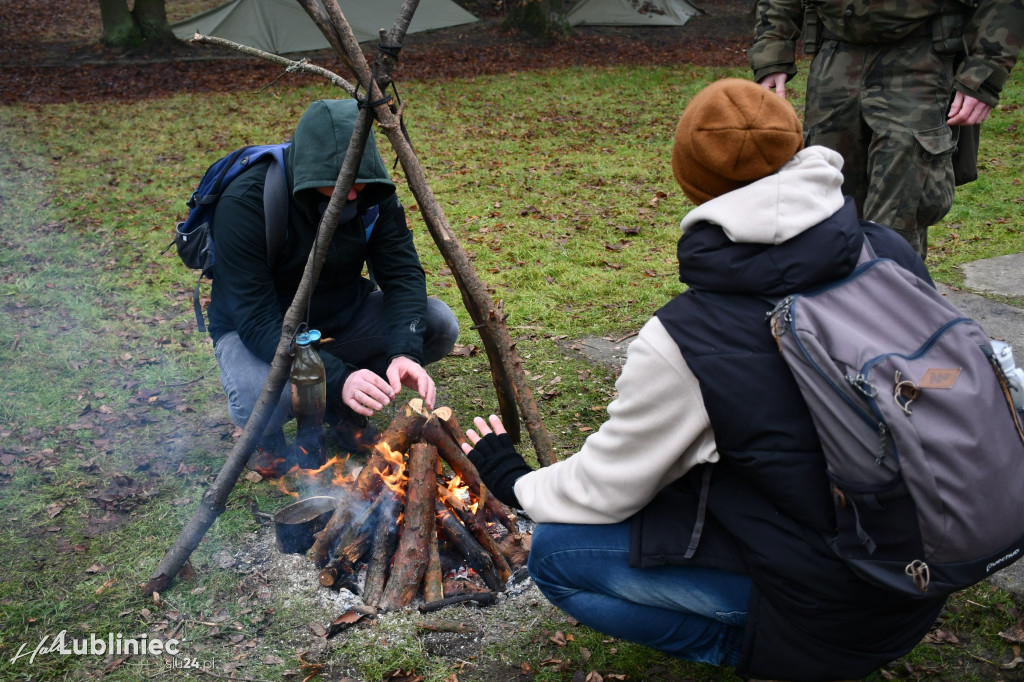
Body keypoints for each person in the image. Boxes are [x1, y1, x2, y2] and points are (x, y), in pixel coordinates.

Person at [460, 79, 947, 681]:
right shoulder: (888, 252)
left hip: (835, 615)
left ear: (691, 182)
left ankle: (759, 652)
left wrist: (513, 478)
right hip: (923, 571)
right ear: (797, 148)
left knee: (557, 554)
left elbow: (605, 488)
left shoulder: (690, 337)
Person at [207, 98, 459, 471]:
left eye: (361, 180)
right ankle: (271, 436)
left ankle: (343, 414)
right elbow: (257, 323)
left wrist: (405, 351)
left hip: (342, 317)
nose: (354, 193)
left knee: (437, 322)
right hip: (258, 332)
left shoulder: (371, 193)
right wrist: (338, 377)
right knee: (254, 392)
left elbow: (403, 274)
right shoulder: (247, 203)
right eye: (342, 184)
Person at [749, 0, 1024, 258]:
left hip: (920, 57)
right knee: (824, 194)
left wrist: (985, 69)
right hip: (835, 56)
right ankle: (829, 304)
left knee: (900, 208)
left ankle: (891, 300)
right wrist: (772, 51)